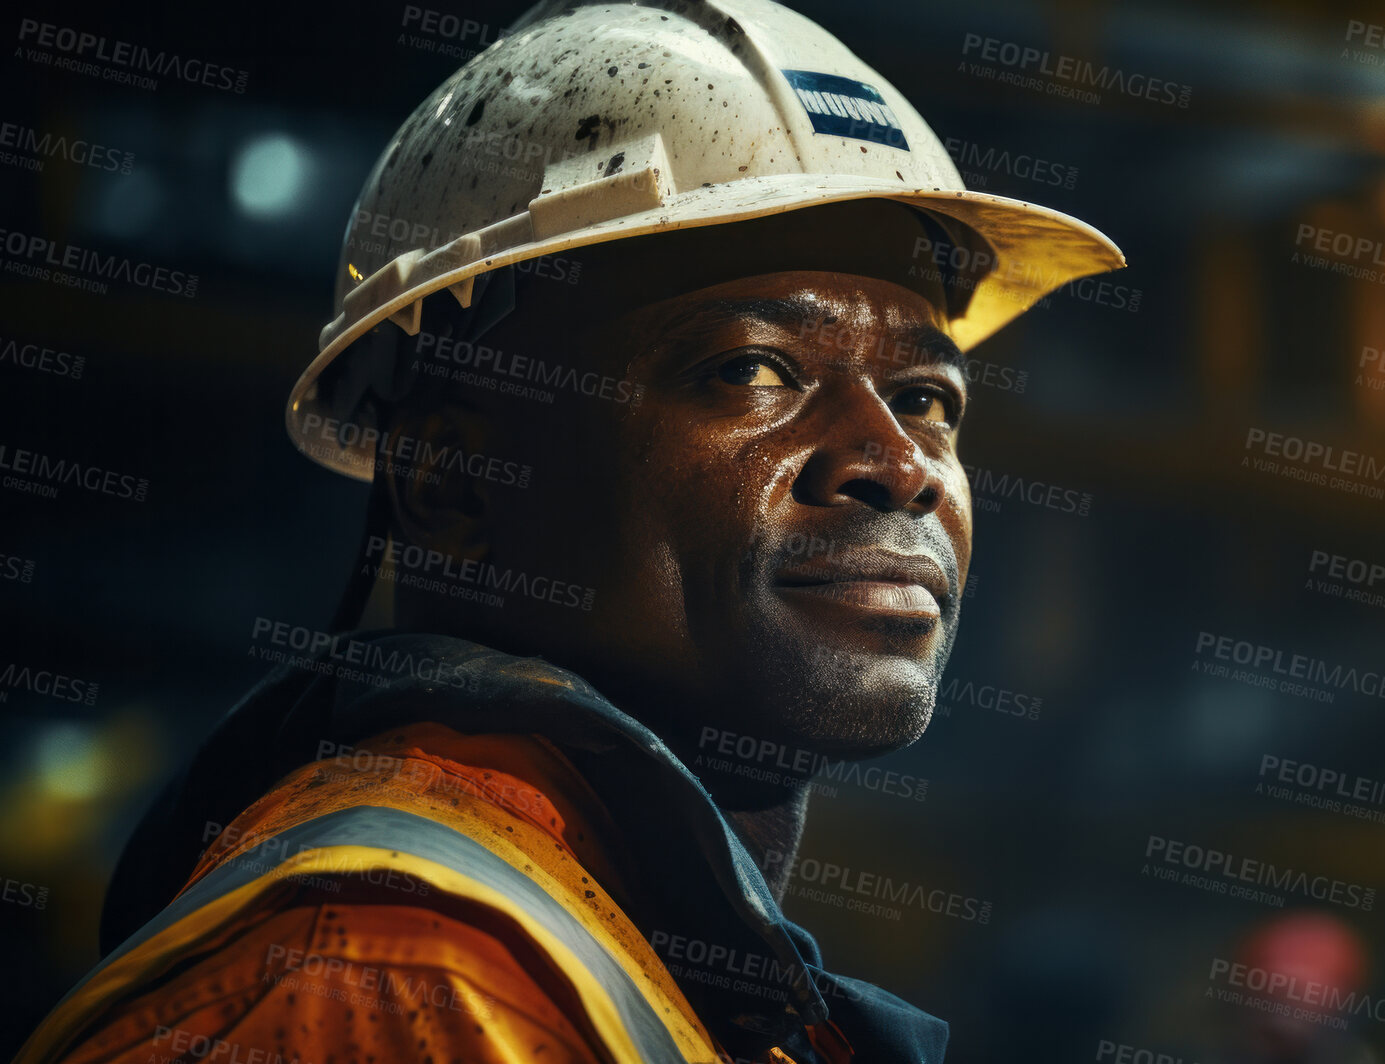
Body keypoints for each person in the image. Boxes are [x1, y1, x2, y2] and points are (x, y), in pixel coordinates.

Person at [12, 1, 1122, 1062]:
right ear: (451, 480)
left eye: (928, 395)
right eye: (749, 369)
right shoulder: (389, 981)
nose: (898, 464)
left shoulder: (626, 969)